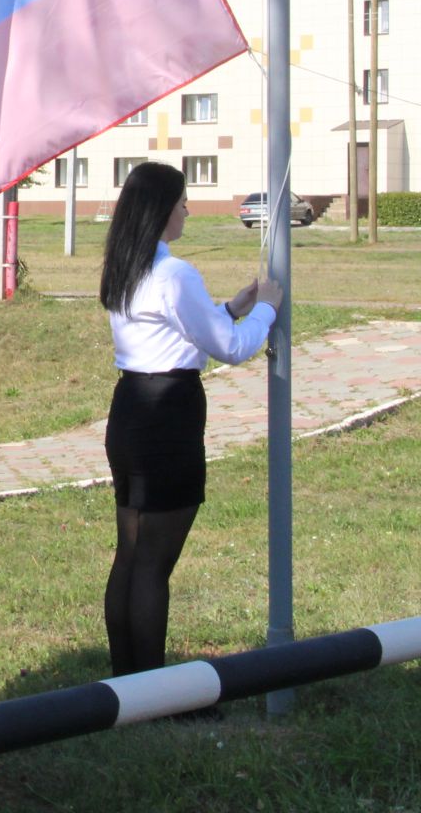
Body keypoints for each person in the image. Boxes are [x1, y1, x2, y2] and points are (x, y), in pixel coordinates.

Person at [98, 161, 280, 677]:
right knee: (154, 563)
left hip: (131, 409)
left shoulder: (127, 263)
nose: (187, 210)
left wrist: (233, 304)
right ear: (161, 209)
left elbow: (176, 330)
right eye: (182, 201)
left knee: (130, 554)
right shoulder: (174, 273)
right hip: (167, 416)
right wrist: (265, 309)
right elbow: (231, 349)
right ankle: (152, 691)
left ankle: (126, 681)